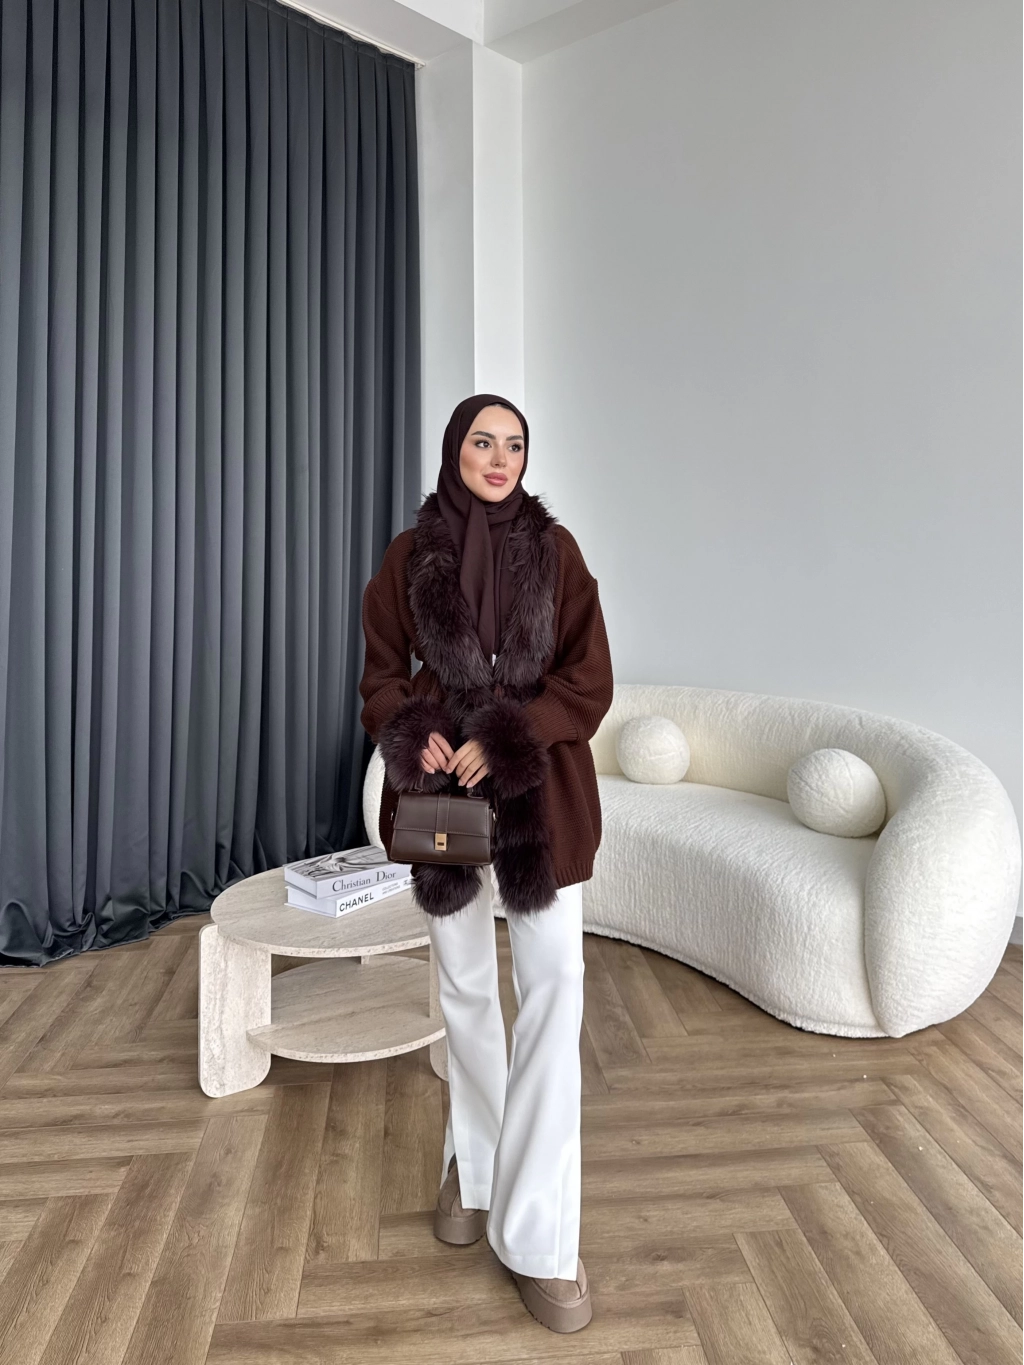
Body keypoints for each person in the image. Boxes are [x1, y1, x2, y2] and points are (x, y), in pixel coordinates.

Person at [358, 393, 614, 1333]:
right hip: (443, 800)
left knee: (555, 988)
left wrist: (510, 733)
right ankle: (473, 1163)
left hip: (540, 793)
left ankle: (542, 1236)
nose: (499, 458)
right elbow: (380, 676)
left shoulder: (558, 552)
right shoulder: (407, 556)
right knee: (464, 987)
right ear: (454, 450)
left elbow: (589, 682)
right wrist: (414, 729)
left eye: (514, 444)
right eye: (482, 441)